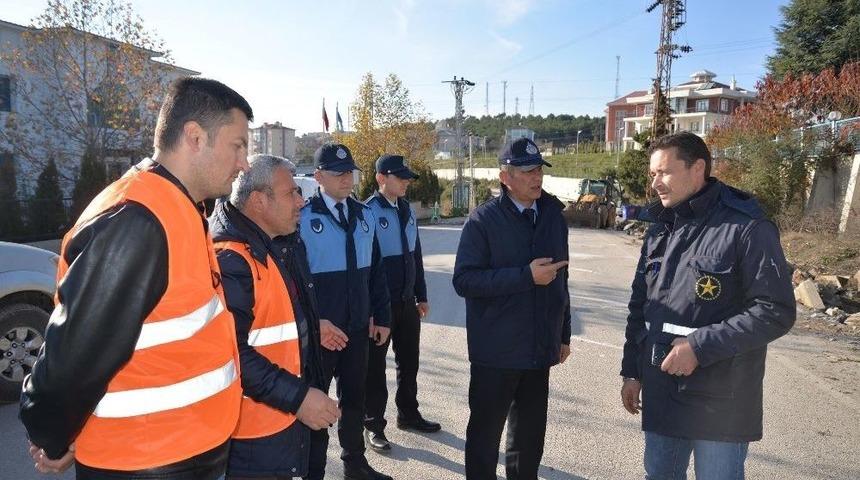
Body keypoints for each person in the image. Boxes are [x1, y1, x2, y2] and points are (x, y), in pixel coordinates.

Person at [19, 77, 253, 479]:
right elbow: (72, 360)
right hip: (145, 462)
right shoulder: (138, 219)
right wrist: (53, 438)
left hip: (177, 454)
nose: (244, 163)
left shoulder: (175, 208)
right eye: (238, 145)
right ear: (195, 137)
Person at [619, 131, 796, 480]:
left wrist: (699, 347)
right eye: (652, 173)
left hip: (721, 401)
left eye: (664, 172)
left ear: (697, 169)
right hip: (663, 391)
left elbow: (775, 310)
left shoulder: (746, 227)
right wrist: (632, 372)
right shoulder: (660, 229)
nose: (655, 183)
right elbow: (641, 309)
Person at [209, 155, 341, 479]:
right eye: (291, 193)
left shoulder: (278, 244)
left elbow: (271, 316)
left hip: (291, 424)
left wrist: (310, 326)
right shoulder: (231, 260)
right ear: (259, 201)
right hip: (256, 440)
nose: (301, 201)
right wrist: (299, 398)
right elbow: (231, 353)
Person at [453, 137, 571, 480]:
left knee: (529, 439)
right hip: (496, 351)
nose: (537, 177)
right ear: (505, 177)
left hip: (539, 347)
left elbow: (562, 279)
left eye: (539, 169)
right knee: (484, 437)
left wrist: (563, 334)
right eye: (527, 171)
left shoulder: (552, 215)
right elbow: (464, 281)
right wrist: (525, 277)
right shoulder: (483, 221)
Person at [300, 144, 393, 480]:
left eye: (349, 172)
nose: (346, 179)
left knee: (354, 399)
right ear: (318, 176)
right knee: (316, 404)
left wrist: (382, 316)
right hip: (321, 333)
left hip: (356, 330)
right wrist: (313, 324)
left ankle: (355, 464)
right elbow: (295, 280)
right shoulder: (303, 218)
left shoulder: (365, 214)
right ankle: (314, 471)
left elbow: (377, 271)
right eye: (337, 173)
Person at [363, 154, 440, 454]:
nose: (406, 181)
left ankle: (408, 413)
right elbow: (367, 268)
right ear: (381, 178)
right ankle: (373, 425)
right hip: (382, 306)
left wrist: (421, 295)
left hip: (407, 303)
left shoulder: (407, 209)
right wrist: (372, 310)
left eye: (407, 177)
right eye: (400, 177)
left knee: (409, 363)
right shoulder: (368, 212)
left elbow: (415, 255)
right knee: (375, 368)